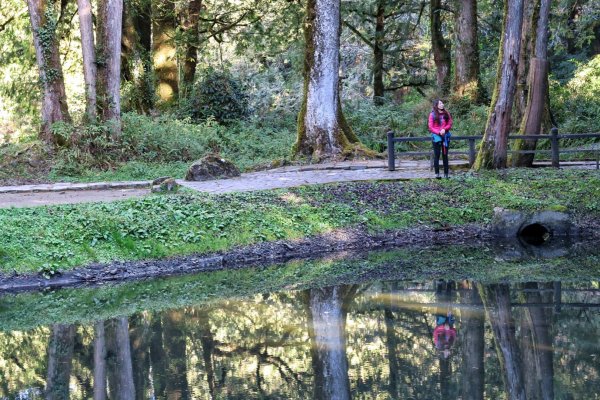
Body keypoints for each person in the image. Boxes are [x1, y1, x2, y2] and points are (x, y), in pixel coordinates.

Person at [428, 99, 453, 179]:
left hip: (445, 136)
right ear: (436, 105)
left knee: (445, 155)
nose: (442, 104)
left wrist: (444, 129)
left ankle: (446, 174)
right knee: (437, 155)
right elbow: (431, 127)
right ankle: (437, 174)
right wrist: (439, 132)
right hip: (436, 137)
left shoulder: (446, 113)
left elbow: (450, 123)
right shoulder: (432, 115)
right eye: (440, 103)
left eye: (442, 103)